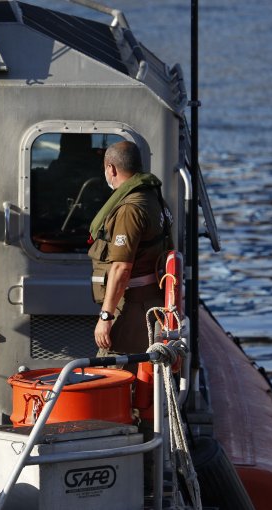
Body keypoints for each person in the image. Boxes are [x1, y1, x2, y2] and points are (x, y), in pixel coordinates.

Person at [88, 141, 172, 371]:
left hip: (132, 305)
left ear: (111, 169)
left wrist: (105, 318)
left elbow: (121, 268)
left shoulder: (129, 209)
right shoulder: (153, 198)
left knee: (111, 371)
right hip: (150, 299)